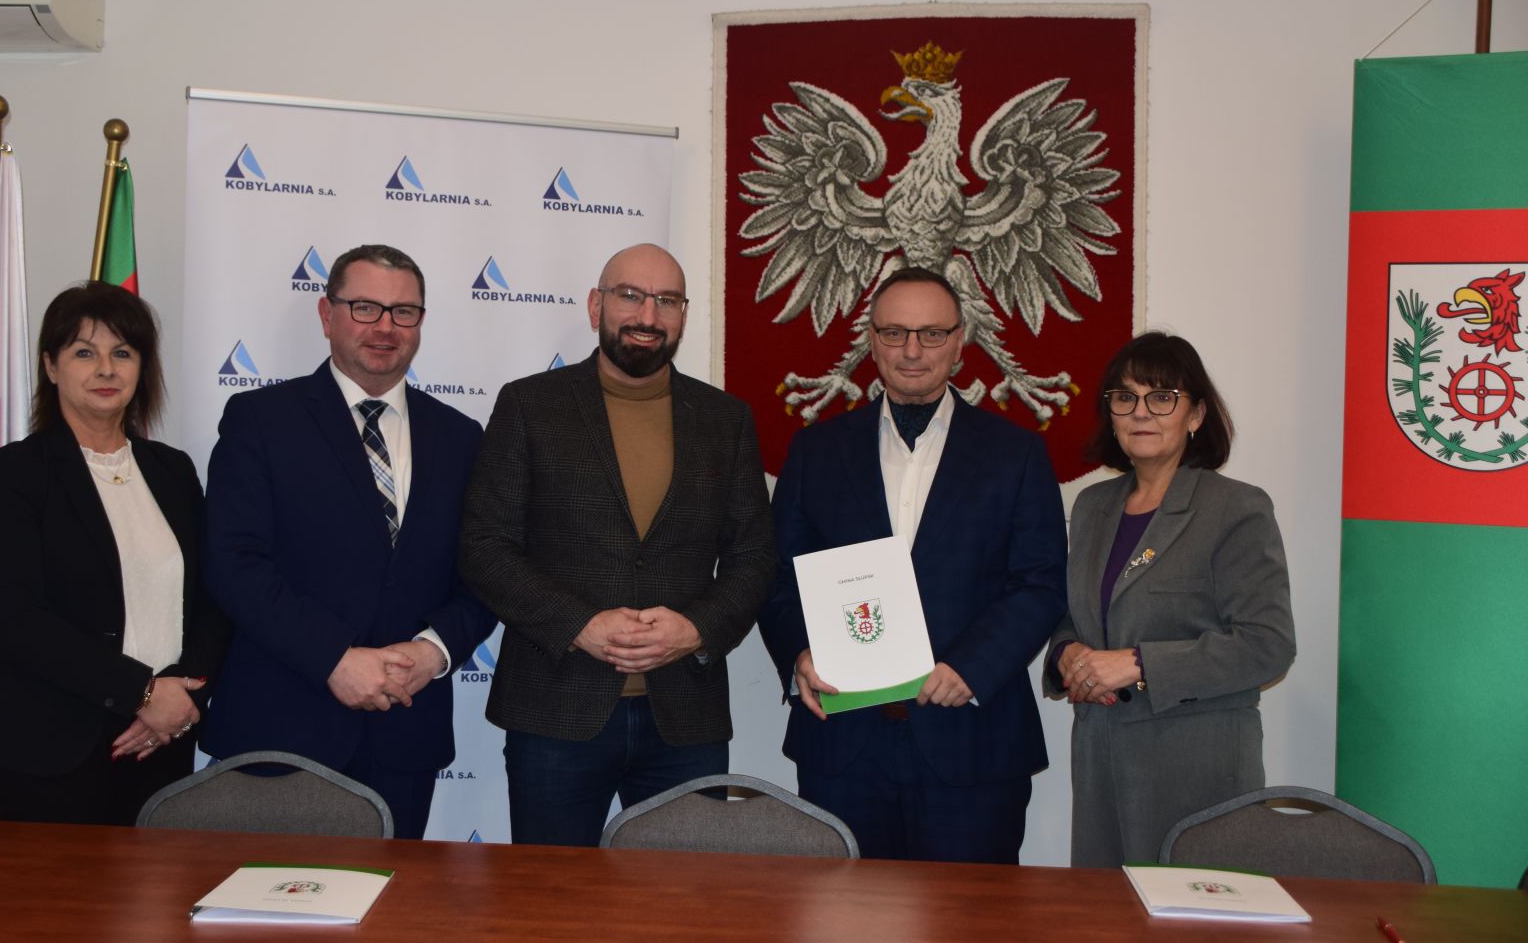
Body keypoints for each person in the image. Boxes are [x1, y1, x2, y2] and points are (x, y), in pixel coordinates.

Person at [458, 243, 776, 847]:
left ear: (683, 315)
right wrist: (579, 625)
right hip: (555, 713)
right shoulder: (529, 405)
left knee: (681, 896)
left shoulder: (726, 419)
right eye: (630, 296)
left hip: (686, 717)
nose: (647, 316)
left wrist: (696, 629)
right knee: (553, 896)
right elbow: (484, 545)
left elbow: (754, 557)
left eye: (667, 301)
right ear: (595, 305)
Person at [758, 266, 1067, 863]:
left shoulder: (1017, 454)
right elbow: (778, 577)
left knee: (971, 914)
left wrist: (973, 667)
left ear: (959, 342)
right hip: (843, 746)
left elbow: (1041, 583)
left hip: (973, 744)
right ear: (872, 341)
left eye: (931, 334)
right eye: (895, 333)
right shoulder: (816, 451)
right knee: (843, 911)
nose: (912, 350)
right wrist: (800, 653)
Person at [200, 244, 495, 839]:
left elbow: (486, 572)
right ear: (326, 314)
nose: (385, 327)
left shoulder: (461, 437)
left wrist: (433, 652)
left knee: (392, 895)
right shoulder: (260, 419)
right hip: (281, 730)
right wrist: (333, 658)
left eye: (404, 312)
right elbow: (234, 564)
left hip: (405, 734)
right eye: (365, 307)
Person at [0, 282, 230, 825]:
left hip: (161, 746)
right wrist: (141, 692)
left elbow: (212, 598)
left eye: (122, 353)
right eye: (84, 353)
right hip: (47, 755)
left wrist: (184, 698)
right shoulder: (14, 474)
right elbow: (17, 620)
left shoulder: (172, 470)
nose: (106, 369)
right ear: (51, 366)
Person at [1044, 331, 1296, 867]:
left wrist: (1138, 664)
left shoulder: (1236, 508)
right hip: (1100, 762)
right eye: (1125, 397)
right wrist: (1067, 653)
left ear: (1196, 415)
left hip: (1196, 766)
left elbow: (1268, 645)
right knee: (1104, 908)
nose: (1141, 412)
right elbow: (1075, 613)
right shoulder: (1091, 507)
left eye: (1162, 397)